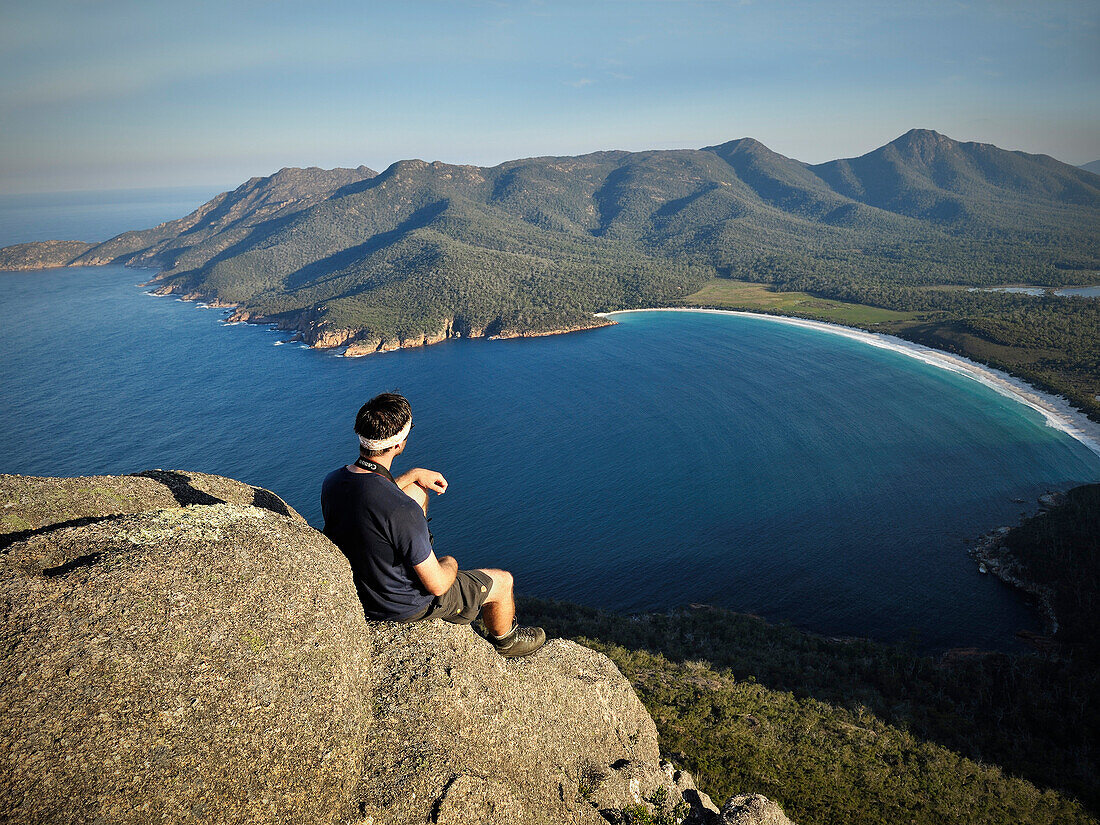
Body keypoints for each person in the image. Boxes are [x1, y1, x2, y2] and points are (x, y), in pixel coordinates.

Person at [321, 392, 546, 659]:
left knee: (417, 490)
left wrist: (414, 474)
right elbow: (437, 586)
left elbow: (373, 495)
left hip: (366, 582)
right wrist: (449, 562)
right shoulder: (401, 510)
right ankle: (506, 641)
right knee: (501, 581)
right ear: (400, 443)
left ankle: (416, 548)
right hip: (401, 605)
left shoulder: (333, 481)